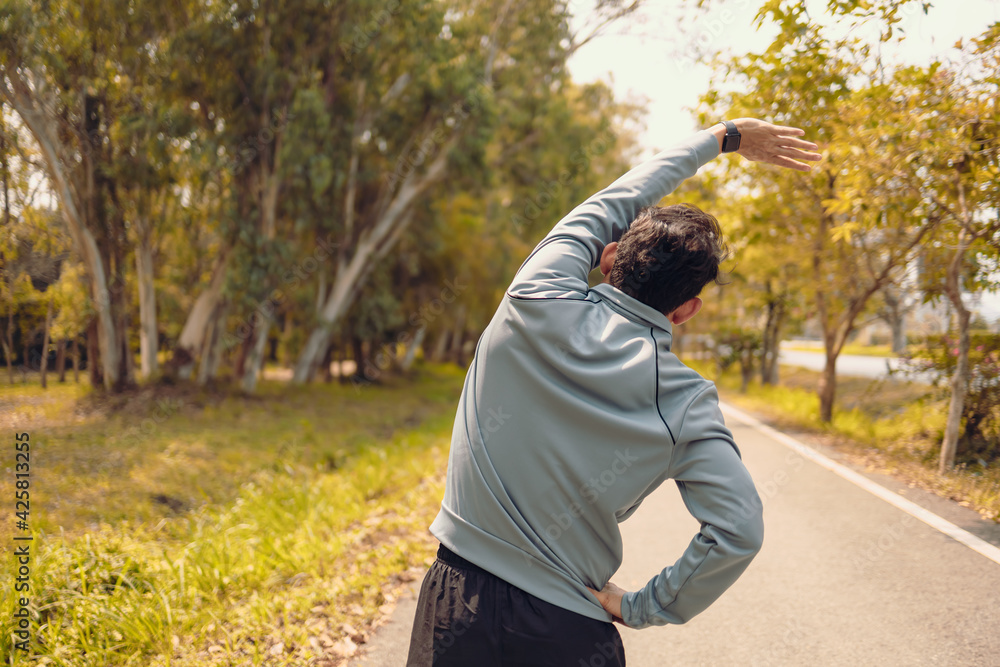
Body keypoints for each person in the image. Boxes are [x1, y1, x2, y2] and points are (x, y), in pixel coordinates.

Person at [405, 118, 821, 666]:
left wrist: (723, 138)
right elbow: (738, 529)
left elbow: (619, 196)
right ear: (687, 310)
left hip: (456, 607)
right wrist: (646, 605)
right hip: (569, 630)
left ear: (607, 259)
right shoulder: (687, 401)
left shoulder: (535, 295)